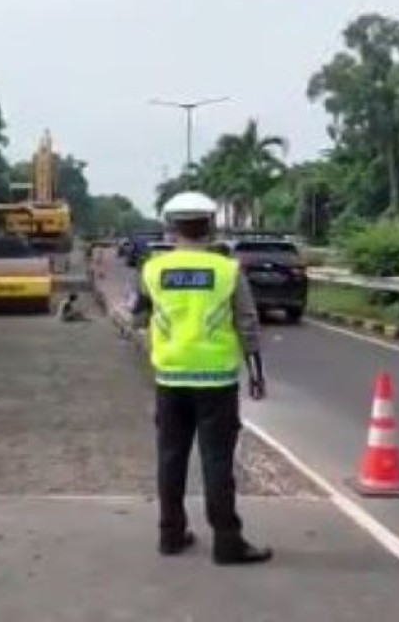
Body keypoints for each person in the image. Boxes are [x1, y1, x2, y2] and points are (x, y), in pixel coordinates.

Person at [127, 191, 272, 565]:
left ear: (172, 227)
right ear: (209, 225)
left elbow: (137, 316)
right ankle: (227, 541)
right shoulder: (228, 271)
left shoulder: (152, 270)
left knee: (170, 458)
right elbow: (247, 323)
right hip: (217, 382)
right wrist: (256, 372)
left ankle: (170, 535)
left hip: (171, 378)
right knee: (217, 461)